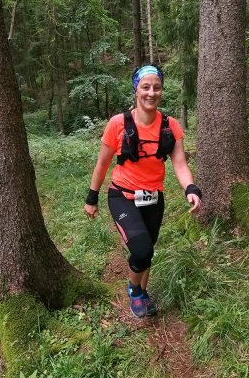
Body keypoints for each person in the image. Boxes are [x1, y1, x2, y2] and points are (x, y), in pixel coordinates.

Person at [84, 65, 202, 318]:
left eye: (156, 87)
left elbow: (180, 163)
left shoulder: (170, 126)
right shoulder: (118, 124)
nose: (151, 93)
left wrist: (190, 188)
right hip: (122, 196)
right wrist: (92, 198)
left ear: (161, 91)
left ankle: (143, 292)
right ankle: (134, 290)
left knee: (148, 248)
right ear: (136, 90)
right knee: (141, 249)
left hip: (153, 198)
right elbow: (102, 163)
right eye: (145, 87)